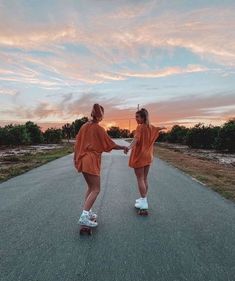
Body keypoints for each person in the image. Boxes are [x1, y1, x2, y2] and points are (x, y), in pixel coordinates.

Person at [74, 104, 127, 228]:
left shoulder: (84, 126)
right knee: (96, 189)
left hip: (82, 159)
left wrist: (76, 158)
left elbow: (77, 143)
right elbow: (110, 144)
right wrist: (123, 147)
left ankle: (88, 212)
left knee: (90, 187)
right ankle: (84, 216)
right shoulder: (98, 129)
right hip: (91, 160)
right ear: (101, 116)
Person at [125, 108, 166, 210]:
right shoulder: (150, 127)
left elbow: (135, 139)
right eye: (135, 117)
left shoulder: (140, 127)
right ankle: (143, 198)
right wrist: (162, 127)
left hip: (139, 156)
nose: (136, 119)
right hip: (148, 156)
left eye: (137, 117)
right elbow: (157, 128)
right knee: (144, 179)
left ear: (143, 117)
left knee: (140, 179)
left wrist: (128, 147)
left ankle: (143, 202)